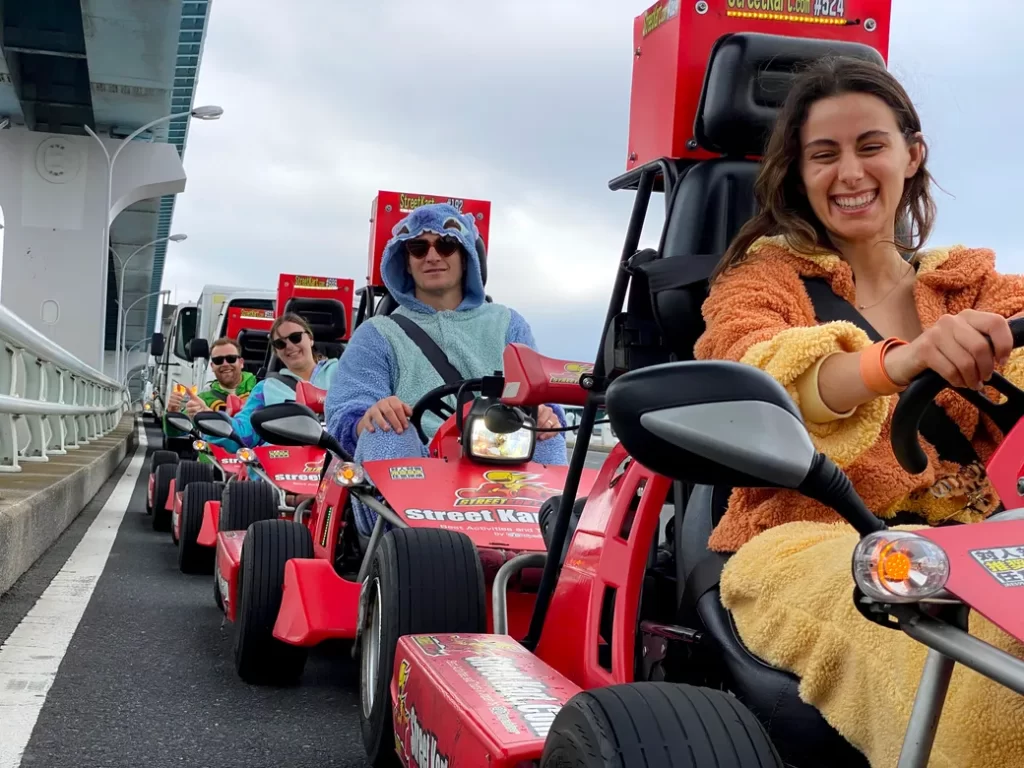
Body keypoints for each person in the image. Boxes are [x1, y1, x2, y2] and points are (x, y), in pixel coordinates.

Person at [693, 56, 1024, 767]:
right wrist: (899, 362)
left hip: (985, 535)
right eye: (824, 154)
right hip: (804, 536)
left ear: (912, 153)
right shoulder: (759, 281)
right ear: (798, 171)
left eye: (871, 145)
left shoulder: (975, 286)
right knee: (983, 670)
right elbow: (758, 376)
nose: (849, 172)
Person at [325, 203, 568, 534]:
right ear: (405, 262)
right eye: (418, 247)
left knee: (547, 432)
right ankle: (404, 545)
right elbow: (346, 409)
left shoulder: (508, 323)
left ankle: (554, 545)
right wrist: (368, 416)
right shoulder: (378, 333)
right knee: (385, 429)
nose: (432, 256)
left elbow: (537, 389)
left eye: (446, 245)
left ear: (465, 256)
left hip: (503, 460)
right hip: (420, 467)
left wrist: (546, 413)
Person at [208, 313, 338, 452]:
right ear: (276, 351)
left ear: (310, 339)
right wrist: (211, 421)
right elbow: (244, 433)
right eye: (280, 343)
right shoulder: (266, 389)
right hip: (285, 462)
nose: (289, 346)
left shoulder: (342, 374)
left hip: (342, 461)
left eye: (295, 337)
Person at [164, 336, 257, 441]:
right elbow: (174, 432)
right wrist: (172, 412)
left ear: (241, 363)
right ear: (212, 366)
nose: (225, 364)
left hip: (257, 450)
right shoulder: (203, 399)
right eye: (218, 360)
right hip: (214, 451)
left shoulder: (260, 389)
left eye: (231, 358)